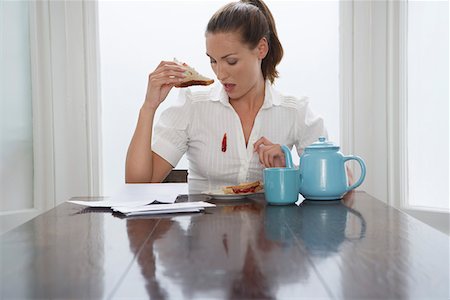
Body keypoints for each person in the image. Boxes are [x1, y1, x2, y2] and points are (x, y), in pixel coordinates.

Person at [125, 0, 327, 193]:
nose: (220, 74)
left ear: (261, 48)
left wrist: (289, 167)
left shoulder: (294, 111)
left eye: (230, 61)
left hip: (270, 228)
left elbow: (343, 180)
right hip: (205, 227)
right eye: (213, 61)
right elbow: (138, 185)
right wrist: (149, 107)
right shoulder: (193, 106)